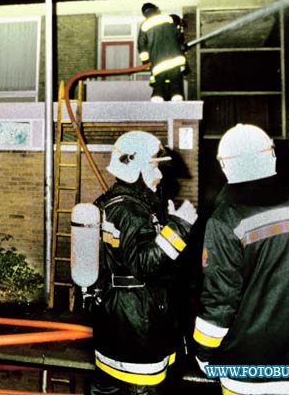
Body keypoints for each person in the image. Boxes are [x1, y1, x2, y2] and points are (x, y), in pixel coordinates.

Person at [193, 124, 289, 395]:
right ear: (271, 155)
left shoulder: (225, 220)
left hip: (249, 372)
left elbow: (220, 300)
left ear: (225, 165)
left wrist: (203, 354)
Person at [90, 131, 198, 394]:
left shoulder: (112, 203)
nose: (159, 174)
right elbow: (144, 265)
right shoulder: (129, 210)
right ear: (133, 166)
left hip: (119, 318)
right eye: (153, 166)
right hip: (138, 325)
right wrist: (180, 226)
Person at [138, 3, 187, 102]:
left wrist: (145, 61)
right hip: (175, 59)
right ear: (156, 9)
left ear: (144, 14)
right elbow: (178, 36)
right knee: (175, 79)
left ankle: (158, 96)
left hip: (159, 61)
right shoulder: (168, 19)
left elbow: (141, 45)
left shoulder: (145, 25)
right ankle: (176, 96)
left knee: (159, 80)